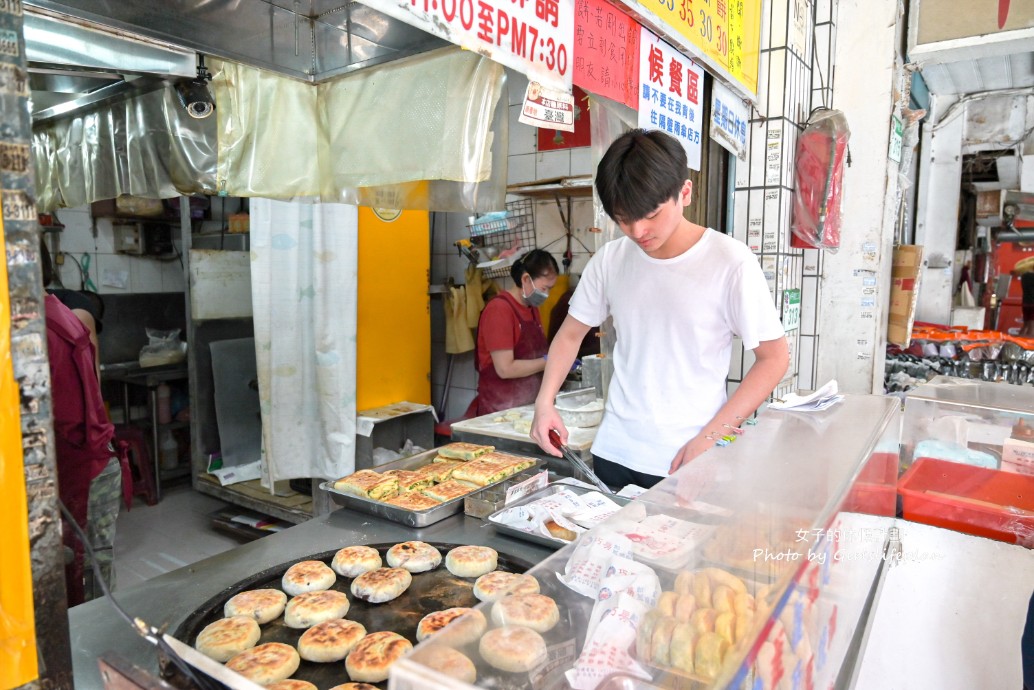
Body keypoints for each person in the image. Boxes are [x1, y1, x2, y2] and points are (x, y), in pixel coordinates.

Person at [530, 129, 789, 489]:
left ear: (685, 192)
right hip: (614, 453)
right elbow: (570, 335)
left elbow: (774, 359)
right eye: (622, 218)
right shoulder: (611, 260)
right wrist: (545, 403)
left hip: (690, 456)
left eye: (650, 214)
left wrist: (712, 438)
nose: (637, 231)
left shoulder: (730, 262)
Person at [41, 241, 121, 605]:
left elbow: (76, 413)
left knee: (85, 574)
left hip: (81, 465)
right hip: (84, 459)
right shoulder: (52, 313)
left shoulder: (57, 323)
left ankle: (93, 651)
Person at [473, 249, 559, 415]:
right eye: (544, 288)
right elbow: (505, 369)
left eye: (550, 289)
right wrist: (550, 361)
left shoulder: (532, 309)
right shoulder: (499, 310)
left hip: (527, 408)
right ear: (526, 279)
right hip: (499, 412)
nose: (546, 294)